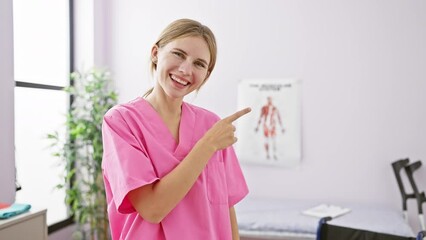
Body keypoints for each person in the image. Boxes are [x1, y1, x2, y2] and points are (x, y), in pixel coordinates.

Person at [101, 18, 251, 240]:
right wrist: (207, 145)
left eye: (199, 64)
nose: (185, 69)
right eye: (178, 54)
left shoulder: (211, 124)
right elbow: (153, 209)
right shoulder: (121, 121)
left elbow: (226, 207)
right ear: (155, 53)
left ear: (206, 75)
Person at [254, 96, 285, 160]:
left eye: (270, 100)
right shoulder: (264, 108)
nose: (269, 101)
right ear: (267, 100)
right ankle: (267, 154)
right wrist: (257, 126)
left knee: (274, 140)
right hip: (266, 126)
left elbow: (279, 117)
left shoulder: (274, 108)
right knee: (266, 140)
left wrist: (282, 127)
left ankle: (274, 154)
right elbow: (260, 117)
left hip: (272, 126)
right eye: (268, 100)